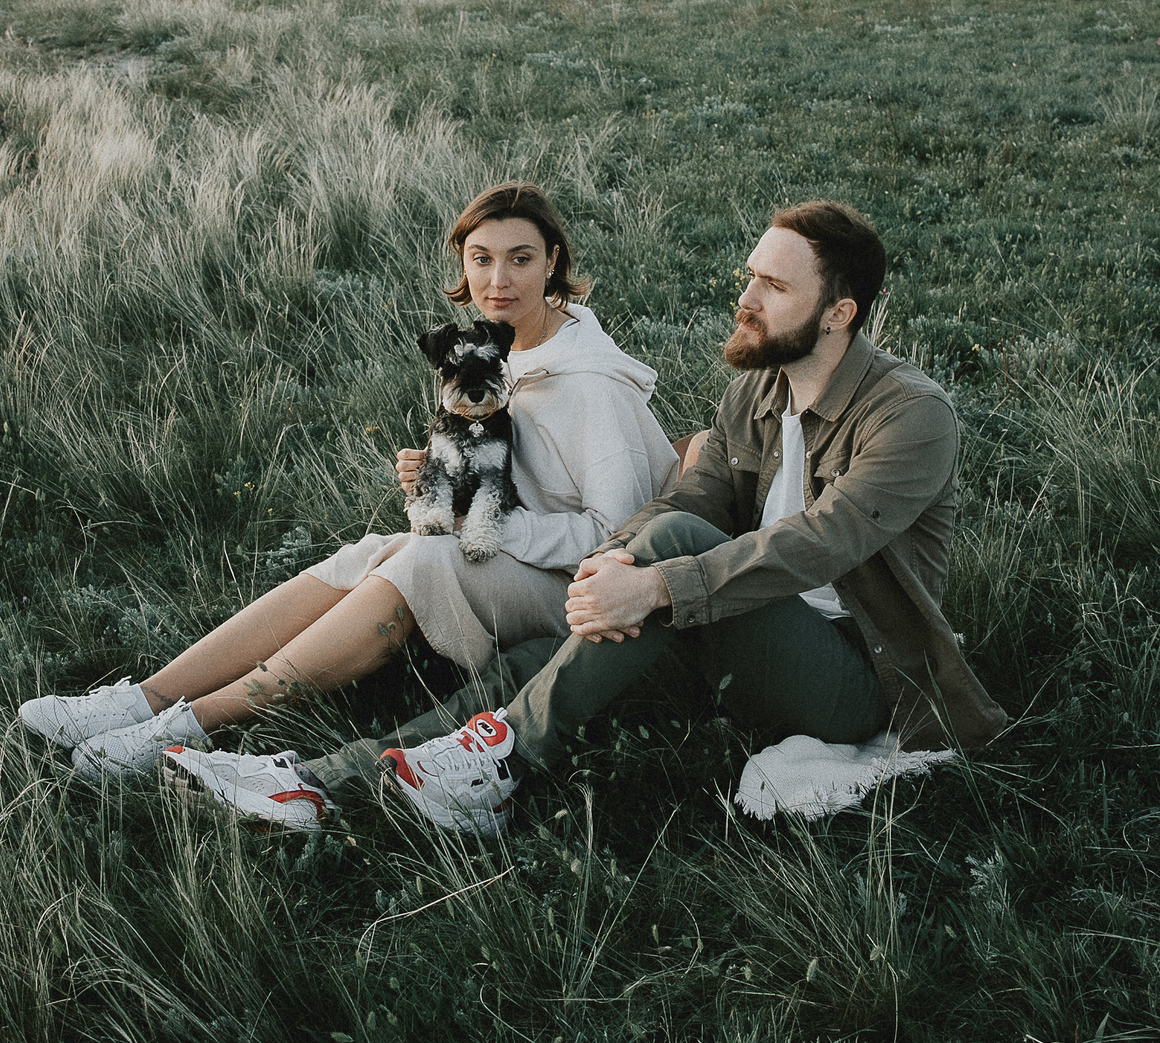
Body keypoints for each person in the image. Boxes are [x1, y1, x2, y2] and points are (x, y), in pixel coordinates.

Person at [166, 199, 1010, 834]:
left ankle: (504, 759)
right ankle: (321, 780)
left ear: (840, 312)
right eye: (751, 273)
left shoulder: (911, 416)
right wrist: (616, 563)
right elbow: (689, 495)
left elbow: (822, 543)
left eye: (773, 284)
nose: (744, 296)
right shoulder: (756, 386)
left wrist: (657, 580)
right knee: (541, 653)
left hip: (857, 676)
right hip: (737, 626)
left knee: (669, 551)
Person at [16, 182, 681, 798]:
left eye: (520, 258)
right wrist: (438, 488)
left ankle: (192, 722)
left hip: (587, 597)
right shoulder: (494, 351)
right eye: (481, 259)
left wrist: (490, 524)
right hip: (518, 554)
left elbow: (615, 537)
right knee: (374, 550)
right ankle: (146, 698)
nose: (498, 279)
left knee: (421, 562)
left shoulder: (589, 381)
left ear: (552, 261)